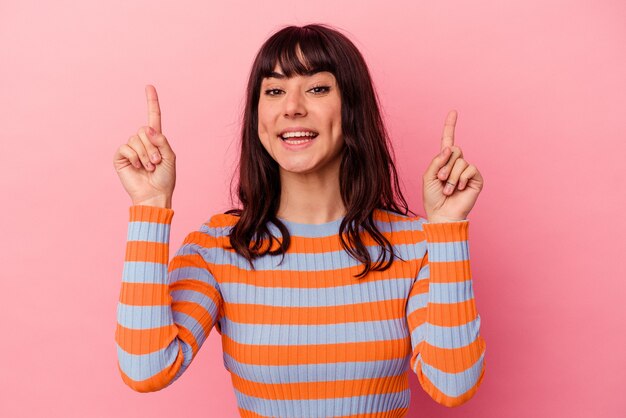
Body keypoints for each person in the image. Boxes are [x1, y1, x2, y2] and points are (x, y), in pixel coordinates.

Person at [113, 23, 486, 417]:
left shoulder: (415, 244)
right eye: (274, 91)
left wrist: (446, 229)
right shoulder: (219, 248)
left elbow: (454, 382)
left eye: (317, 88)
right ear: (258, 118)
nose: (291, 106)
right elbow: (145, 369)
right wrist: (150, 207)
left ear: (353, 107)